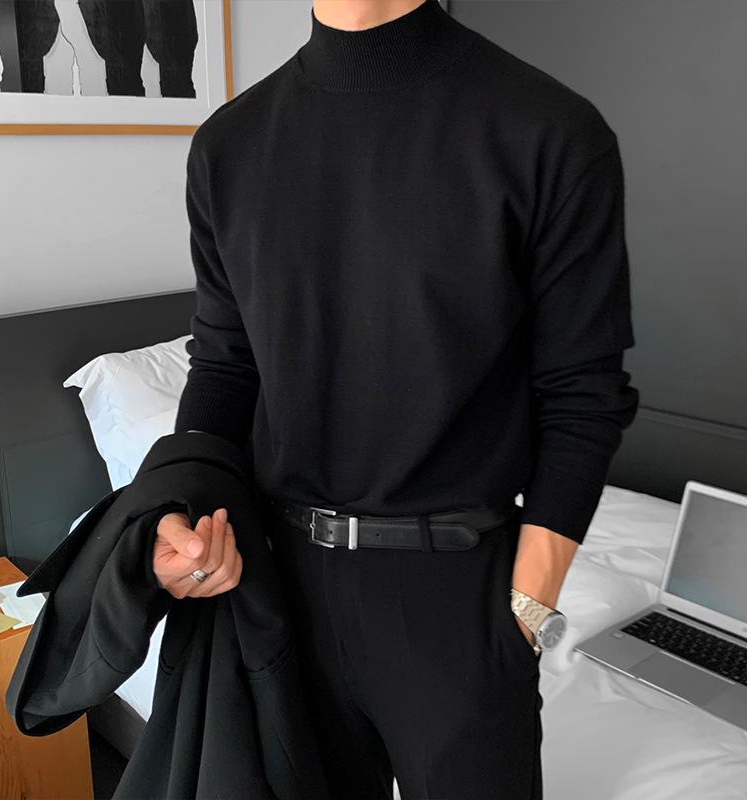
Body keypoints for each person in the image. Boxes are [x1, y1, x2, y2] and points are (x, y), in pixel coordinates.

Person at [152, 1, 640, 798]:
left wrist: (528, 603)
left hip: (457, 593)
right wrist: (182, 510)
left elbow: (583, 390)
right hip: (279, 582)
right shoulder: (228, 144)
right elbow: (226, 364)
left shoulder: (547, 128)